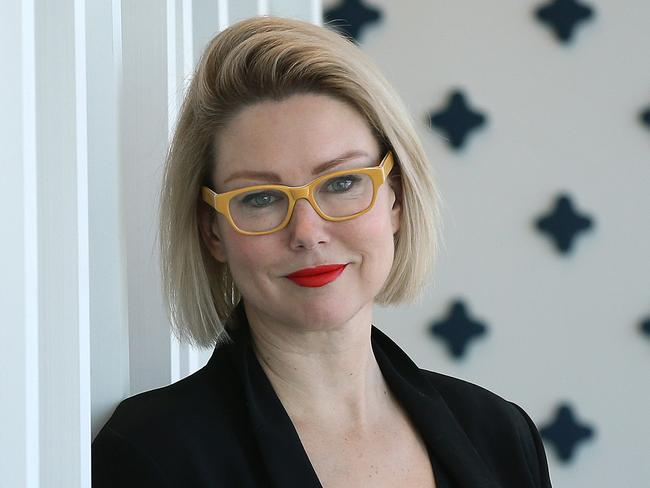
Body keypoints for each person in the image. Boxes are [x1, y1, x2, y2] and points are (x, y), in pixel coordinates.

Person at [92, 16, 552, 488]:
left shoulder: (501, 434)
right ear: (214, 232)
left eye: (342, 183)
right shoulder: (153, 456)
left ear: (394, 198)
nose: (307, 232)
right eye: (260, 198)